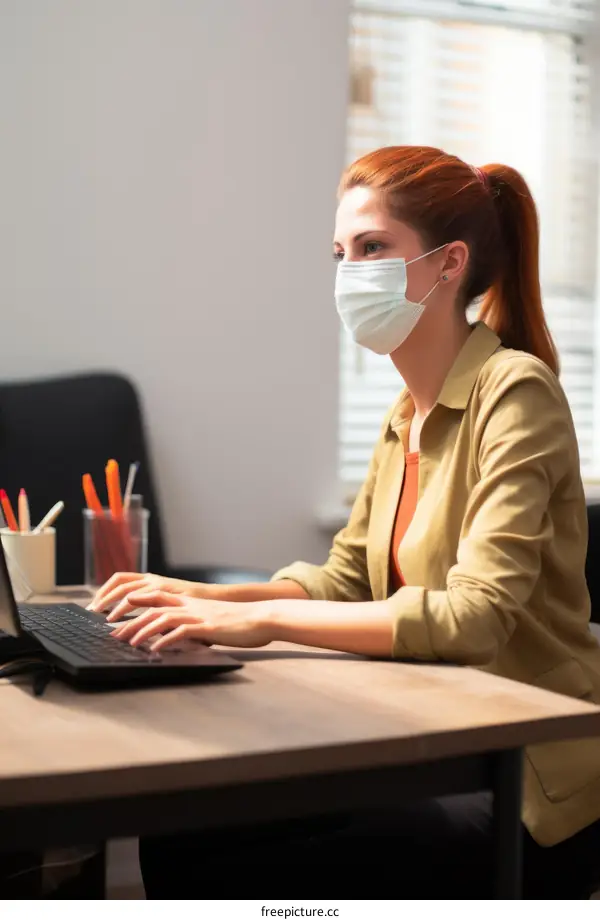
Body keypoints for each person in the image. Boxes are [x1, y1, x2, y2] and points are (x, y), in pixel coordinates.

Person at [90, 145, 600, 898]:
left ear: (447, 263)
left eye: (372, 248)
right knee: (182, 834)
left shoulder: (515, 392)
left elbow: (476, 617)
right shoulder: (404, 416)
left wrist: (262, 623)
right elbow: (343, 578)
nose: (348, 272)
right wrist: (199, 601)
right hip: (428, 737)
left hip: (529, 781)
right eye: (340, 252)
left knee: (231, 860)